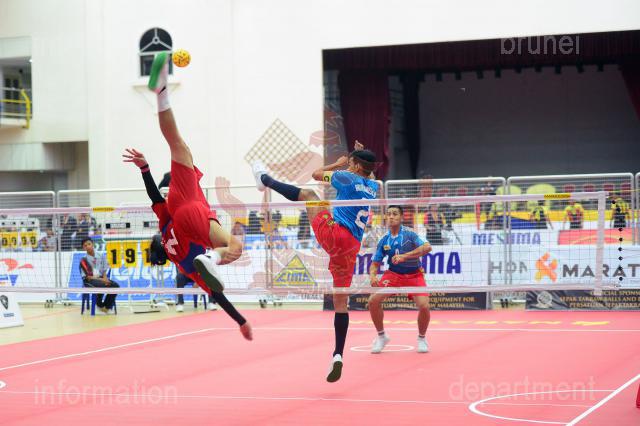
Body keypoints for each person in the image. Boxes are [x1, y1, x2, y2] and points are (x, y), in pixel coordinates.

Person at [122, 51, 252, 340]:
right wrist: (144, 168)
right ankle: (212, 257)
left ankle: (212, 257)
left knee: (234, 247)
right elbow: (156, 199)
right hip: (183, 203)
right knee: (177, 144)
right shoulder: (167, 238)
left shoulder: (179, 260)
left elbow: (217, 294)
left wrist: (241, 320)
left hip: (187, 211)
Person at [252, 140, 377, 382]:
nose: (347, 166)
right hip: (352, 247)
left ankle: (264, 179)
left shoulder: (346, 177)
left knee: (310, 195)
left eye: (350, 163)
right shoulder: (372, 185)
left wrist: (338, 164)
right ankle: (338, 354)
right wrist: (357, 157)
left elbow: (316, 174)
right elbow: (368, 169)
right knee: (340, 302)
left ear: (355, 166)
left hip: (337, 234)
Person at [368, 205, 432, 354]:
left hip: (414, 274)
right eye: (389, 214)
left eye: (395, 214)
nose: (391, 217)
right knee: (373, 301)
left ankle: (421, 338)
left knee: (424, 306)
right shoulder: (384, 240)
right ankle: (382, 336)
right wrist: (372, 275)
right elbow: (375, 264)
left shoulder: (411, 234)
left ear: (401, 217)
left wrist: (405, 256)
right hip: (393, 274)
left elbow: (427, 247)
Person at [79, 237, 120, 313]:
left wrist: (105, 278)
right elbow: (88, 277)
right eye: (85, 245)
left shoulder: (101, 255)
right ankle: (99, 305)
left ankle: (106, 307)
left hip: (100, 278)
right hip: (89, 280)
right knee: (102, 284)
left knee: (116, 286)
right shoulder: (83, 260)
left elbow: (104, 270)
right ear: (83, 248)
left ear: (93, 244)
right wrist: (103, 280)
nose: (88, 246)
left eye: (89, 244)